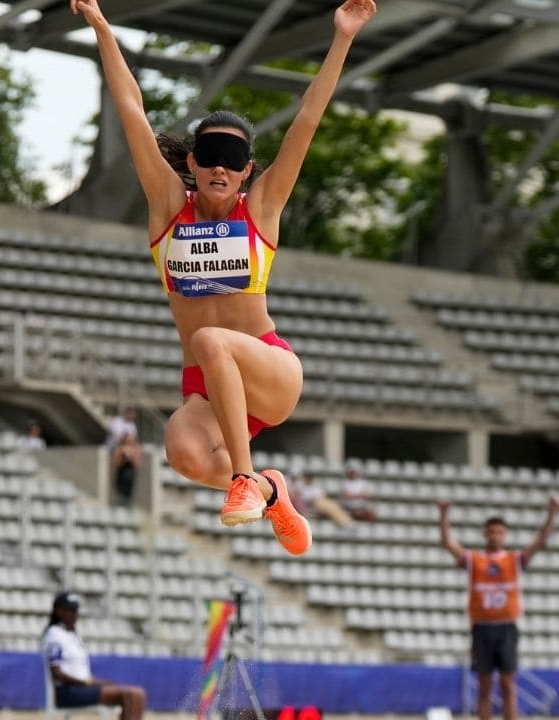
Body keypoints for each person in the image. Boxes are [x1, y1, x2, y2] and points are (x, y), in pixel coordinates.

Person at [73, 0, 378, 556]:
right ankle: (266, 487)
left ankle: (243, 476)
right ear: (190, 164)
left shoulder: (259, 211)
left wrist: (342, 39)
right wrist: (101, 28)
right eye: (208, 154)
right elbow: (131, 110)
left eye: (231, 159)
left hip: (268, 369)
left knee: (211, 339)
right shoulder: (168, 207)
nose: (219, 166)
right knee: (182, 451)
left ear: (245, 172)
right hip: (209, 389)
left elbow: (307, 120)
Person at [438, 496, 559, 720]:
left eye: (499, 532)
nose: (495, 535)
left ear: (504, 535)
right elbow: (448, 543)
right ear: (485, 534)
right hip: (482, 628)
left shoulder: (514, 560)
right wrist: (444, 514)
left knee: (508, 684)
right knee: (484, 685)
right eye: (491, 531)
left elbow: (541, 541)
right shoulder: (474, 560)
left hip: (506, 628)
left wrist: (551, 513)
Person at [41, 592, 146, 720]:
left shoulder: (73, 635)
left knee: (135, 694)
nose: (75, 614)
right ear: (59, 611)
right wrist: (85, 683)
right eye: (70, 610)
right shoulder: (54, 635)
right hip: (68, 692)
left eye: (76, 610)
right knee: (133, 695)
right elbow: (56, 673)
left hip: (81, 688)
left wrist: (92, 682)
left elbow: (81, 674)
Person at [111, 433, 142, 506]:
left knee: (129, 496)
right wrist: (123, 457)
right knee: (119, 495)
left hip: (130, 476)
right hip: (121, 475)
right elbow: (116, 463)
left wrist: (131, 457)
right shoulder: (119, 449)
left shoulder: (135, 450)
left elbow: (138, 464)